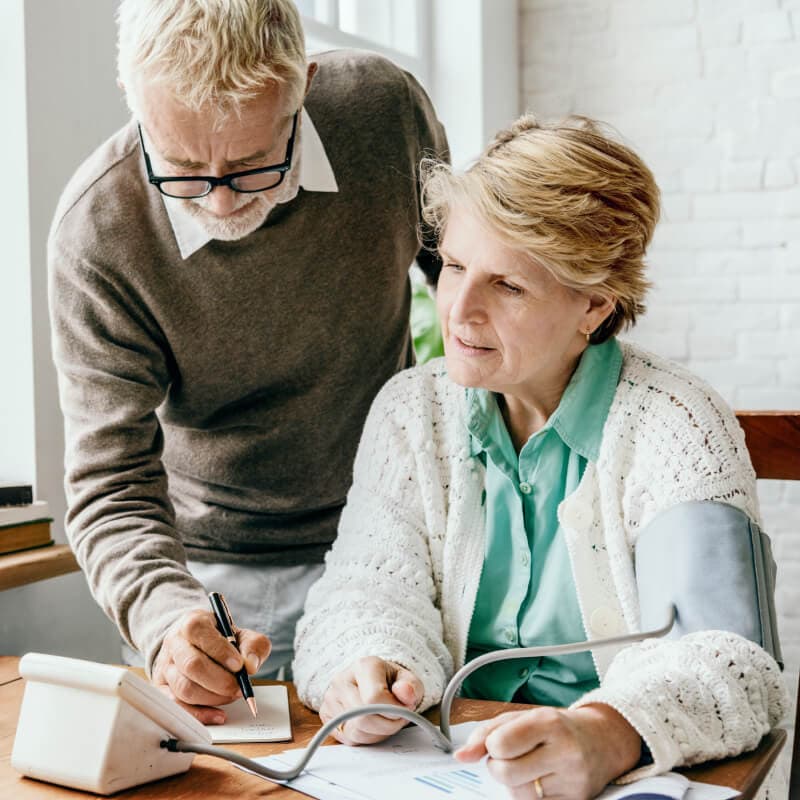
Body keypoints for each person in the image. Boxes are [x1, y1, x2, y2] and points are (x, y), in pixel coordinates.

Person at [292, 115, 789, 798]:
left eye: (508, 285)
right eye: (456, 267)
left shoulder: (677, 424)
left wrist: (608, 734)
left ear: (593, 306)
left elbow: (733, 664)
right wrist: (369, 662)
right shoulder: (410, 410)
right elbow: (364, 591)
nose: (458, 310)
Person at [48, 0, 446, 724]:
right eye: (183, 169)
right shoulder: (98, 233)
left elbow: (468, 278)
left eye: (252, 165)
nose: (222, 202)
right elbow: (110, 482)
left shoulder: (382, 116)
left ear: (305, 85)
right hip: (220, 573)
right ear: (133, 101)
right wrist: (168, 622)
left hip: (398, 542)